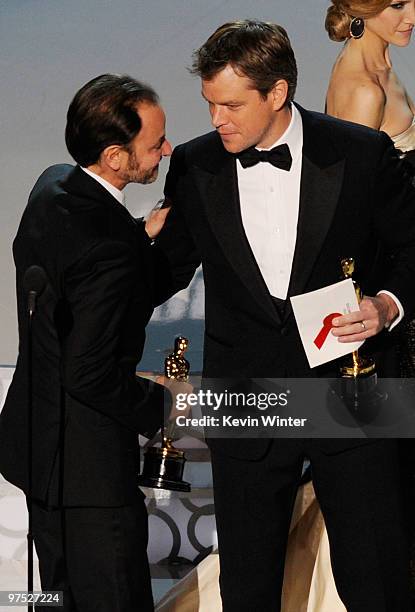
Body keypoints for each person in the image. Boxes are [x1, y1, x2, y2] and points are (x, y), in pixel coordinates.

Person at [156, 20, 415, 611]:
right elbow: (163, 269)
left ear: (277, 93)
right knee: (248, 584)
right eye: (210, 105)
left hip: (357, 382)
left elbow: (412, 249)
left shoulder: (361, 152)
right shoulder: (197, 165)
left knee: (377, 578)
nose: (217, 119)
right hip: (244, 390)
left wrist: (386, 305)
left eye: (230, 105)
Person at [0, 74, 173, 611]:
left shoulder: (52, 186)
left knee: (54, 600)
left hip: (39, 449)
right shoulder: (111, 250)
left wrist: (136, 234)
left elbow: (75, 265)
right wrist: (161, 403)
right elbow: (90, 373)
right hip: (93, 477)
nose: (167, 149)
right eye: (155, 144)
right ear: (116, 156)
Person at [325, 0, 415, 378]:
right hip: (393, 280)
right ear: (361, 8)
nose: (411, 17)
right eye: (396, 6)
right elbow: (351, 211)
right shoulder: (364, 90)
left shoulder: (382, 65)